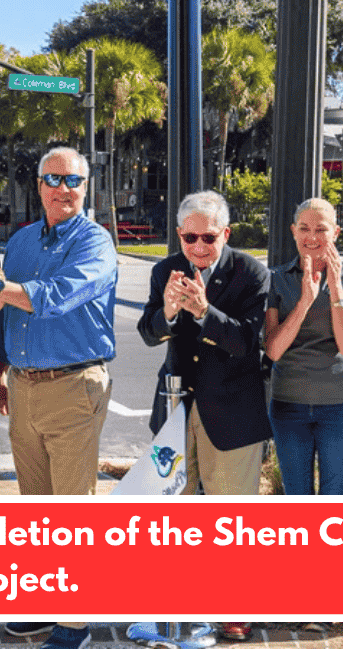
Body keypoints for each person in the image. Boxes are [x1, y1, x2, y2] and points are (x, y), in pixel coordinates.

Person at [0, 146, 116, 499]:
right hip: (21, 388)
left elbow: (57, 296)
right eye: (53, 179)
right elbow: (8, 308)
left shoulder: (95, 242)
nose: (63, 189)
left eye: (73, 180)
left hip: (74, 387)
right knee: (34, 504)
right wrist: (0, 367)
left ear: (86, 186)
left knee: (71, 511)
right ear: (39, 185)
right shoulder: (21, 241)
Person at [139, 190, 271, 496]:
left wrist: (203, 311)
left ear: (225, 234)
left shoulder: (252, 273)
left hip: (233, 414)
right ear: (179, 234)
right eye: (190, 237)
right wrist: (168, 313)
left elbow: (246, 343)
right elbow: (148, 333)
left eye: (209, 238)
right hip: (175, 410)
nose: (198, 246)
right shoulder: (165, 271)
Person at [264, 198, 343, 495]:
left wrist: (336, 288)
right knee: (297, 498)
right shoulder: (275, 279)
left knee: (333, 499)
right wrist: (304, 302)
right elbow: (273, 349)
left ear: (336, 232)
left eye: (321, 229)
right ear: (293, 231)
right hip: (289, 406)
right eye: (304, 228)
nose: (312, 237)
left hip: (341, 407)